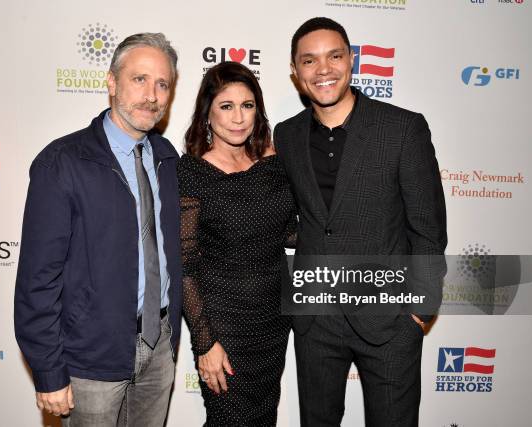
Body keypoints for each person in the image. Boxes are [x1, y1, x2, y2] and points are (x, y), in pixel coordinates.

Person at [274, 17, 447, 427]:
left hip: (390, 319)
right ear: (296, 73)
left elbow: (428, 226)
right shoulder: (287, 136)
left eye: (334, 56)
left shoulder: (402, 128)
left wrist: (420, 308)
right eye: (309, 61)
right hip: (315, 318)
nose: (323, 70)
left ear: (351, 61)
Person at [14, 33, 182, 427]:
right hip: (90, 359)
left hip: (158, 350)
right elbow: (37, 279)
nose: (151, 95)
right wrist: (49, 372)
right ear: (111, 81)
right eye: (139, 79)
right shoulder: (63, 162)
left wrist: (170, 344)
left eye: (162, 84)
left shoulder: (166, 158)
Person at [177, 61, 296, 426]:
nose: (238, 118)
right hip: (223, 325)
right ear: (207, 114)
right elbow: (184, 263)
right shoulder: (193, 171)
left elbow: (287, 232)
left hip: (273, 321)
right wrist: (204, 342)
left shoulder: (274, 163)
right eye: (226, 106)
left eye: (247, 105)